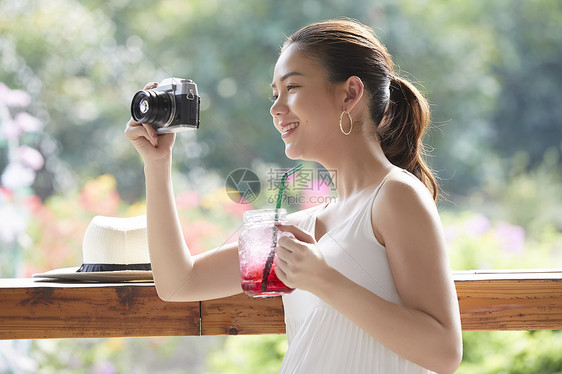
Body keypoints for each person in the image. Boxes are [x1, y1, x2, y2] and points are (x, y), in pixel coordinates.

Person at [125, 18, 462, 374]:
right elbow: (179, 282)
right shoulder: (302, 227)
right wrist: (157, 163)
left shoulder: (396, 195)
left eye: (292, 88)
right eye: (275, 94)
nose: (276, 108)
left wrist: (322, 279)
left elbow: (443, 352)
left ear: (350, 93)